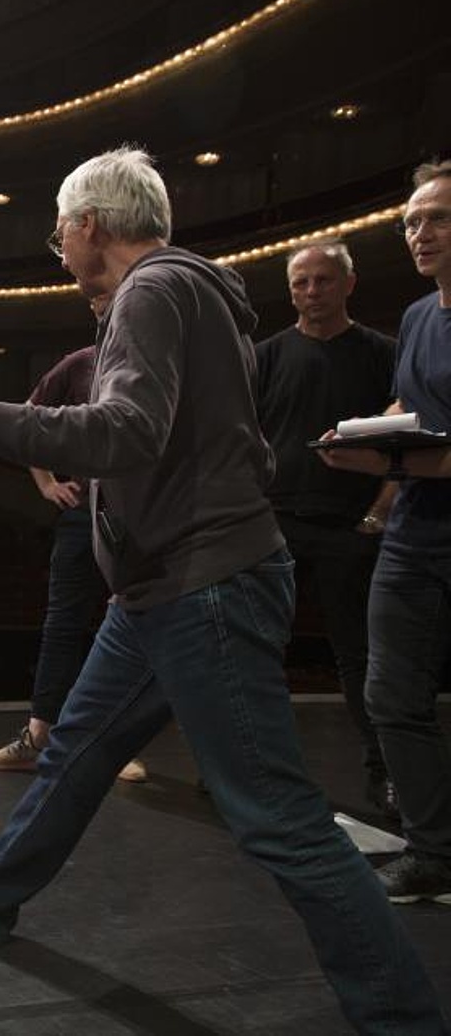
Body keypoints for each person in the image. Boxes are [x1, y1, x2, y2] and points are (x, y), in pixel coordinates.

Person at [0, 146, 446, 1032]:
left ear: (90, 222)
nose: (57, 244)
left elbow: (128, 431)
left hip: (200, 587)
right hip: (165, 586)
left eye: (59, 228)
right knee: (78, 751)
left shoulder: (150, 293)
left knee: (276, 817)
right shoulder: (198, 291)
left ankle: (404, 1016)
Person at [319, 159, 451, 905]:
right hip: (415, 530)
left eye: (436, 218)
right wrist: (366, 442)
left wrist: (397, 459)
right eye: (410, 221)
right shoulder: (418, 316)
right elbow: (411, 402)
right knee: (391, 695)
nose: (418, 233)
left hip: (431, 503)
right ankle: (434, 850)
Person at [0, 293, 146, 784]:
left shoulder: (151, 363)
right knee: (64, 623)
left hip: (141, 518)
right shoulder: (80, 364)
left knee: (128, 627)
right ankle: (38, 736)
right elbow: (29, 420)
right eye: (99, 303)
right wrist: (47, 483)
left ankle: (112, 743)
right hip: (83, 515)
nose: (106, 308)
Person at [256, 240, 397, 814]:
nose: (311, 292)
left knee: (359, 657)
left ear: (348, 284)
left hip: (349, 525)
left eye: (322, 281)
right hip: (273, 523)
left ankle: (385, 772)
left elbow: (408, 442)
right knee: (258, 652)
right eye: (300, 283)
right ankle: (248, 771)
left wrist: (377, 514)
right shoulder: (265, 355)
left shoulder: (383, 353)